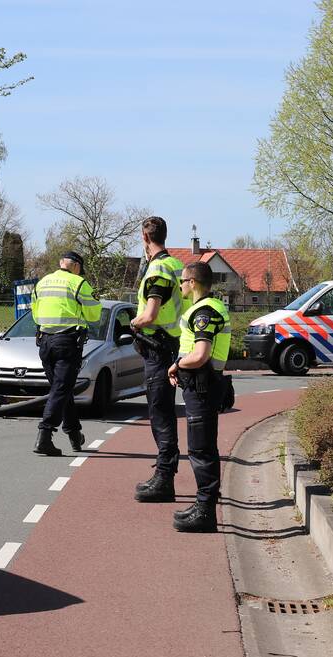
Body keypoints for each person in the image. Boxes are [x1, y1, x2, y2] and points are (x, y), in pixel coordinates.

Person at [167, 261, 231, 533]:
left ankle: (205, 512)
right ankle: (202, 505)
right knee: (202, 448)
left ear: (192, 283)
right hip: (201, 385)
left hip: (203, 388)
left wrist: (176, 365)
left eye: (182, 281)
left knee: (201, 450)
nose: (180, 285)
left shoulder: (204, 312)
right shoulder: (207, 308)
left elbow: (201, 354)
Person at [130, 216, 184, 502]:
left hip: (158, 347)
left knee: (160, 413)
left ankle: (164, 479)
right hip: (173, 343)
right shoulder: (177, 265)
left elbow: (150, 314)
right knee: (165, 411)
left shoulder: (159, 268)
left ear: (145, 237)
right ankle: (164, 474)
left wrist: (134, 323)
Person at [30, 251, 102, 456]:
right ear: (76, 266)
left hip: (45, 342)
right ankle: (44, 435)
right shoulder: (78, 283)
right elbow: (94, 314)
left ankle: (74, 434)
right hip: (67, 343)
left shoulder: (42, 283)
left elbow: (35, 312)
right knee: (61, 390)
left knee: (63, 389)